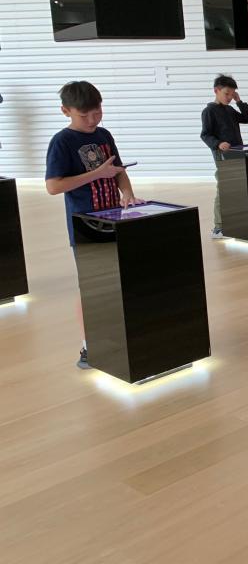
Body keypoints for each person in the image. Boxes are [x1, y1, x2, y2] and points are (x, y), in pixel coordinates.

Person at [45, 81, 142, 369]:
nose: (92, 120)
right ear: (66, 111)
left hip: (114, 219)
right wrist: (97, 173)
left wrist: (127, 194)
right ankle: (90, 345)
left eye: (97, 112)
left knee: (122, 280)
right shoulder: (61, 141)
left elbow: (118, 171)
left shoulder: (104, 134)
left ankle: (124, 334)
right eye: (84, 115)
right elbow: (53, 186)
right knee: (92, 287)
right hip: (86, 225)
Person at [200, 74, 248, 239]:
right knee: (224, 188)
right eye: (226, 94)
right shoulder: (209, 111)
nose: (229, 97)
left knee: (237, 187)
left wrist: (239, 101)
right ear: (216, 91)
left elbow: (247, 119)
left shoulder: (229, 109)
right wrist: (218, 143)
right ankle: (219, 228)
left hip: (237, 152)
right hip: (222, 155)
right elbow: (205, 134)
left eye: (232, 94)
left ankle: (235, 221)